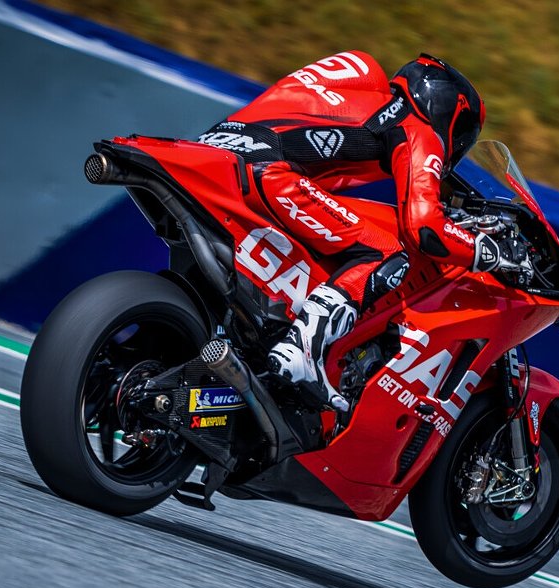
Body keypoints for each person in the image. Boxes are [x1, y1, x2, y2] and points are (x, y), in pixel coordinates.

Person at [199, 51, 528, 411]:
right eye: (463, 132)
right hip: (268, 172)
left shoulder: (364, 100)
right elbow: (425, 228)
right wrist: (491, 253)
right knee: (387, 251)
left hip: (219, 157)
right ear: (450, 111)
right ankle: (301, 349)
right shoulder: (419, 128)